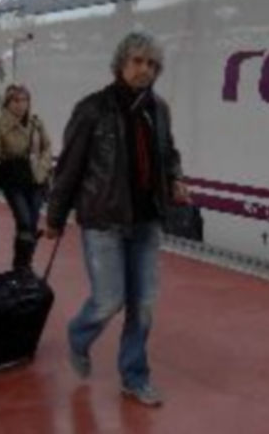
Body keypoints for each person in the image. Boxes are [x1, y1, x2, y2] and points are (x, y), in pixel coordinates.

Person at [44, 31, 190, 406]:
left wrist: (175, 177)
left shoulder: (159, 109)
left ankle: (134, 377)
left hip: (146, 222)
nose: (145, 69)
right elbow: (69, 168)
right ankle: (78, 336)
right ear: (121, 63)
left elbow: (168, 153)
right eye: (138, 61)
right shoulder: (92, 109)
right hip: (103, 221)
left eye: (152, 64)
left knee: (143, 305)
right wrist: (54, 217)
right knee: (109, 300)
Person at [0, 84, 52, 271]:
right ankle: (20, 264)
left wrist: (43, 168)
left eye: (24, 100)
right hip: (14, 181)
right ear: (8, 103)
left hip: (36, 179)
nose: (20, 105)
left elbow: (47, 147)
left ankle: (25, 264)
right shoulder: (1, 125)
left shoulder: (36, 122)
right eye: (16, 101)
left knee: (31, 224)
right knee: (24, 221)